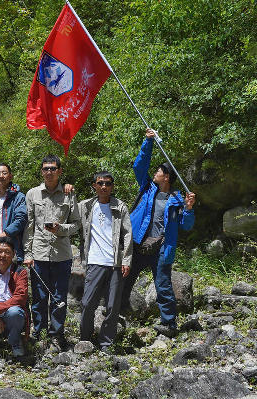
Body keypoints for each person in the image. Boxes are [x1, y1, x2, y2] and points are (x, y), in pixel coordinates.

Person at [121, 128, 196, 337]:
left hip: (162, 248)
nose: (155, 172)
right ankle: (117, 315)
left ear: (167, 177)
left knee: (162, 285)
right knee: (125, 280)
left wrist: (189, 209)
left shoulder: (177, 199)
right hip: (139, 243)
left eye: (159, 171)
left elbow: (187, 225)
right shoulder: (147, 188)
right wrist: (148, 142)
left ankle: (169, 324)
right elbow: (139, 165)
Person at [23, 154, 80, 347]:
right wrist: (28, 253)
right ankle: (40, 333)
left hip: (61, 254)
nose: (49, 172)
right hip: (39, 253)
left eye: (53, 168)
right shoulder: (32, 194)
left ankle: (56, 333)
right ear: (41, 171)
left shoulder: (69, 193)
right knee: (38, 297)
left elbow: (77, 224)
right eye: (46, 168)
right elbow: (29, 226)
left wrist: (61, 229)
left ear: (60, 171)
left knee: (59, 297)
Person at [78, 171, 132, 351]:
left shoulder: (120, 207)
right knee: (87, 303)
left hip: (115, 262)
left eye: (108, 184)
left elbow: (127, 234)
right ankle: (85, 339)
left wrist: (127, 260)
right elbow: (67, 211)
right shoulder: (85, 206)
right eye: (100, 183)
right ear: (94, 186)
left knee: (112, 306)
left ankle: (106, 343)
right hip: (94, 261)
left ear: (112, 186)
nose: (104, 187)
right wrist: (66, 189)